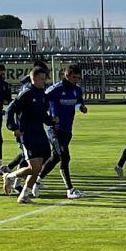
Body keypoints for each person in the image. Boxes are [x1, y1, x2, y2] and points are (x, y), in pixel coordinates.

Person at [2, 67, 54, 204]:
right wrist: (13, 127)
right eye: (42, 79)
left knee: (42, 162)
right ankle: (11, 177)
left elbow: (42, 115)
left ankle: (23, 194)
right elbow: (10, 110)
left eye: (45, 79)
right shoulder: (26, 93)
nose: (45, 81)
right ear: (34, 79)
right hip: (28, 134)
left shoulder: (43, 95)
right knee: (34, 168)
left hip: (40, 133)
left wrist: (51, 121)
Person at [38, 65, 87, 199]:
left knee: (55, 158)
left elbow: (78, 102)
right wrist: (49, 119)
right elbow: (41, 103)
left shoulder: (77, 90)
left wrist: (81, 107)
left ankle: (37, 181)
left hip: (67, 130)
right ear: (66, 75)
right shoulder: (55, 90)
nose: (76, 80)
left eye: (78, 77)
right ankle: (70, 190)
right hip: (55, 129)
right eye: (74, 77)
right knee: (65, 157)